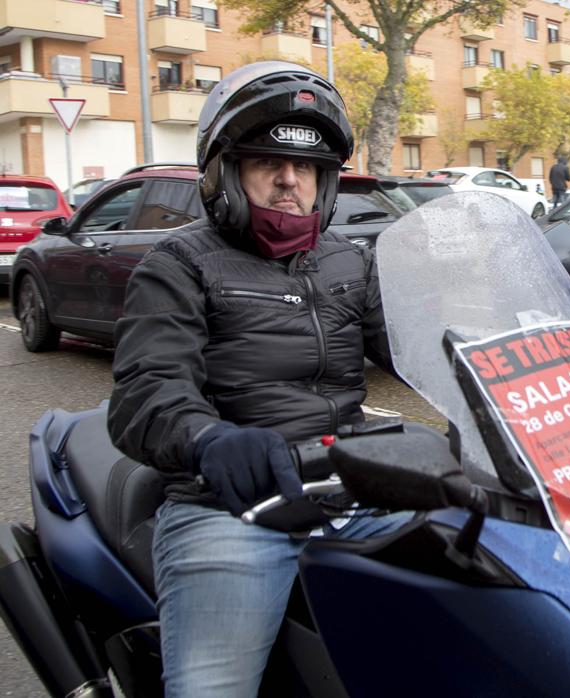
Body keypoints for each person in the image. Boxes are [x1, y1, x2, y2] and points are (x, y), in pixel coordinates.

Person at [107, 62, 411, 696]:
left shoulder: (348, 261)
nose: (288, 181)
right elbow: (146, 390)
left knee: (485, 607)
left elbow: (426, 347)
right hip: (233, 506)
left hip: (349, 491)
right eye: (265, 163)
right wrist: (208, 439)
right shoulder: (179, 264)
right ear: (223, 174)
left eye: (306, 169)